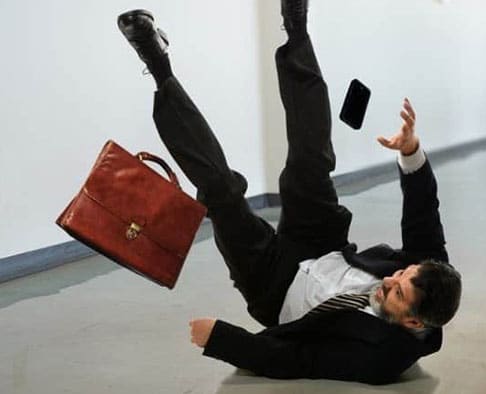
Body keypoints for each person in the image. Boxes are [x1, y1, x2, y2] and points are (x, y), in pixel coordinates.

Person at [117, 0, 461, 385]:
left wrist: (223, 340)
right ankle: (297, 28)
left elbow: (301, 359)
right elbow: (423, 212)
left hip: (272, 287)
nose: (389, 281)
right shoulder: (430, 272)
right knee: (310, 156)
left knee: (221, 193)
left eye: (396, 293)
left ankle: (158, 67)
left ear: (412, 321)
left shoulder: (381, 358)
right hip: (322, 244)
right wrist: (410, 149)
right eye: (400, 274)